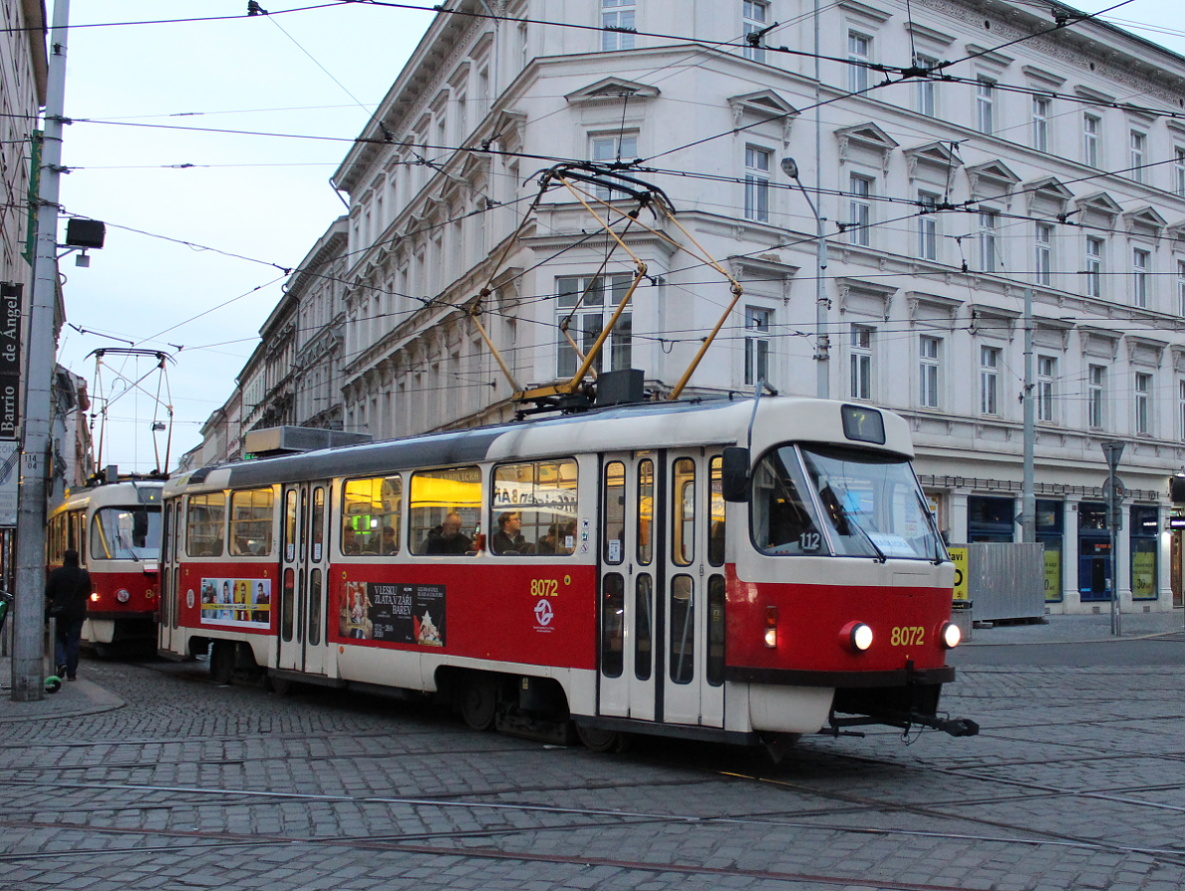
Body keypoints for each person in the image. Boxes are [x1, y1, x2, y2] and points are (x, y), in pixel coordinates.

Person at [45, 548, 90, 681]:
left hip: (59, 610)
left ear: (64, 559)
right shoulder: (83, 574)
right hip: (77, 611)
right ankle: (71, 673)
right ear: (77, 560)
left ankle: (61, 662)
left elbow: (48, 592)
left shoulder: (57, 573)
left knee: (58, 637)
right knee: (73, 641)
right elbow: (87, 593)